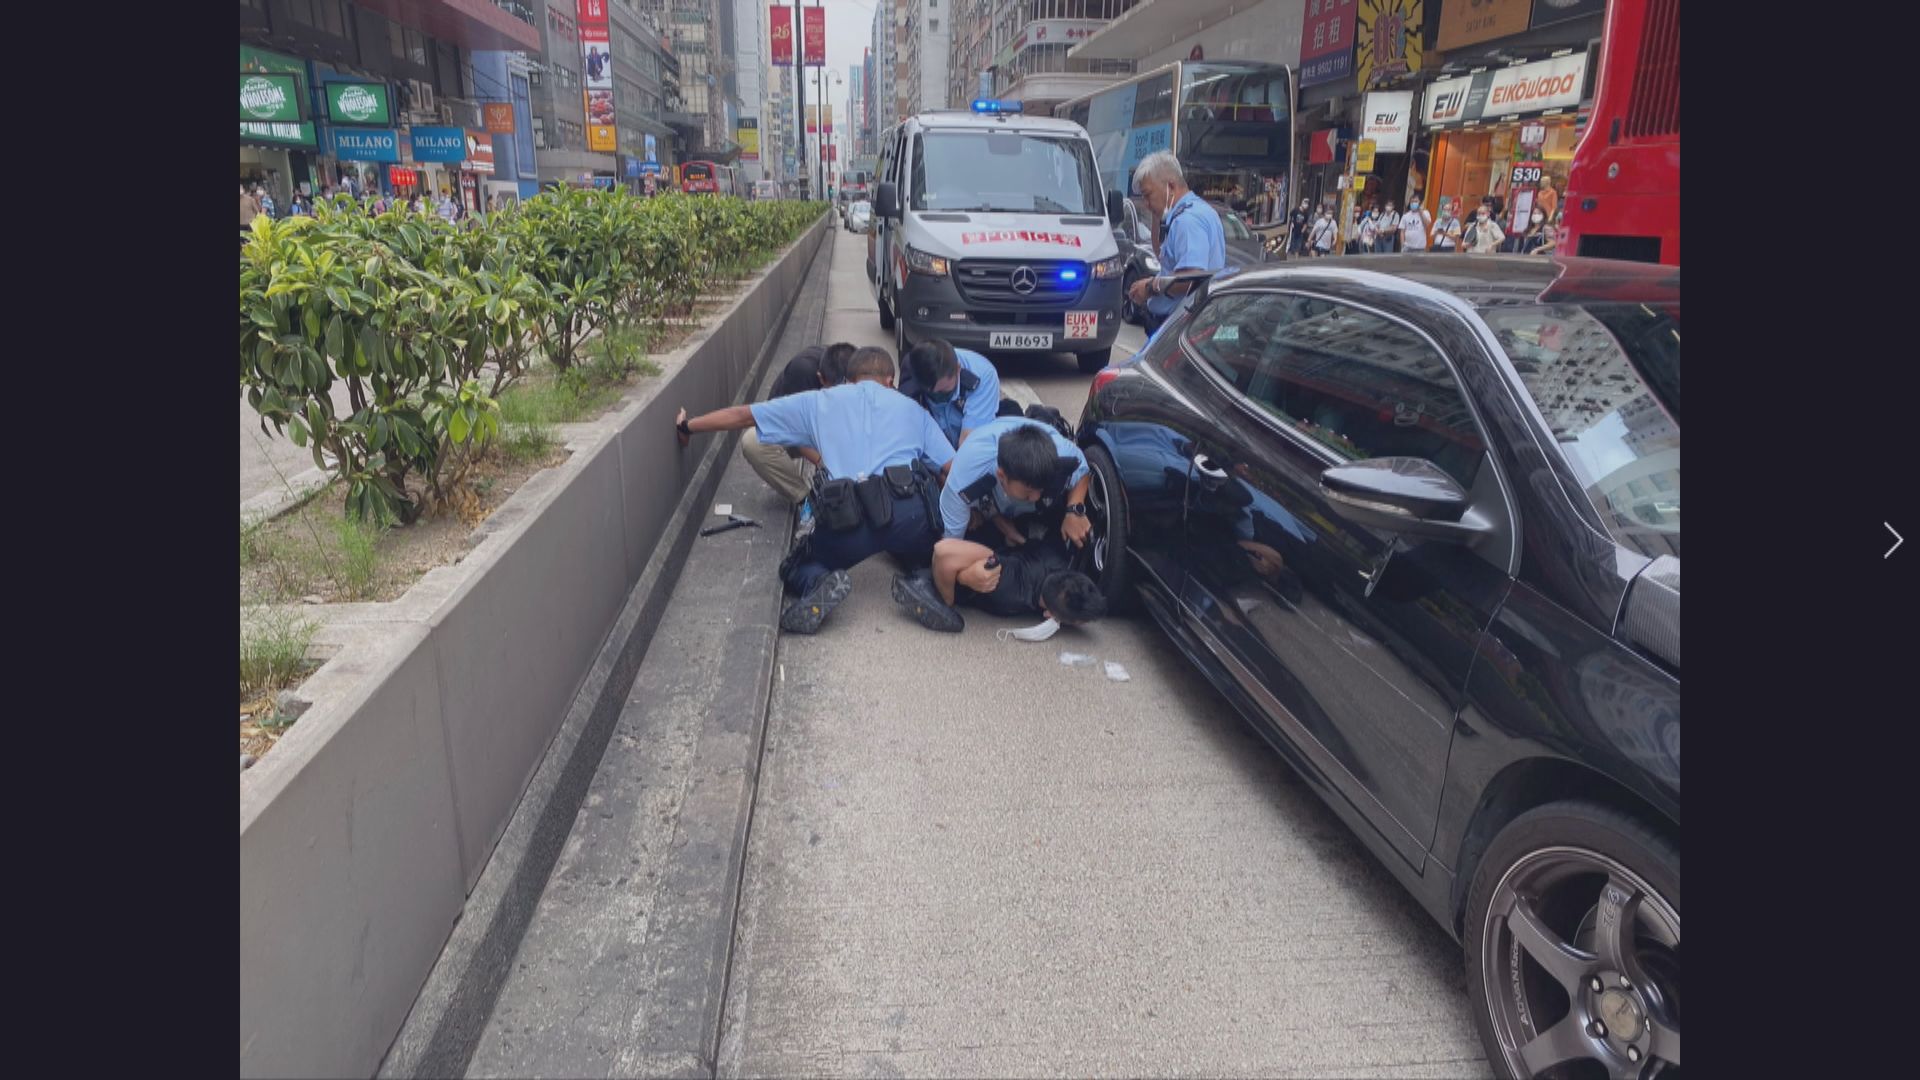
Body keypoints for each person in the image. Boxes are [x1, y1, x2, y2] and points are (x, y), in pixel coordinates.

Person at [674, 346, 955, 634]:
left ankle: (819, 581)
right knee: (928, 551)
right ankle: (922, 580)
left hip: (849, 521)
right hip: (907, 514)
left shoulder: (818, 402)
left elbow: (743, 415)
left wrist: (688, 426)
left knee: (796, 566)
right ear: (890, 380)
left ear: (848, 380)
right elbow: (953, 469)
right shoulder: (914, 411)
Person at [938, 416, 1091, 557]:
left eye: (1039, 489)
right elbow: (947, 549)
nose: (1036, 497)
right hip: (988, 501)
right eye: (1028, 491)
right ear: (1002, 475)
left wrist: (1074, 510)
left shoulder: (1060, 453)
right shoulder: (964, 481)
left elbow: (1082, 469)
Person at [892, 536, 1108, 633]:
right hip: (923, 552)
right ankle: (922, 583)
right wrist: (948, 600)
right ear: (1051, 615)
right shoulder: (1007, 587)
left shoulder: (1058, 556)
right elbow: (943, 550)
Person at [739, 342, 857, 507]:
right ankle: (808, 500)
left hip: (832, 431)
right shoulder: (802, 371)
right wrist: (824, 463)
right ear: (821, 378)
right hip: (791, 431)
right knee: (753, 442)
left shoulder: (862, 371)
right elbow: (796, 434)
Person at [1125, 150, 1227, 336]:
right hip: (1188, 324)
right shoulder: (1197, 211)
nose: (1146, 204)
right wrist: (1158, 214)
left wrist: (1149, 288)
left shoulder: (1187, 221)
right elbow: (1163, 257)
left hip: (1179, 328)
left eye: (1148, 195)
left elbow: (1189, 280)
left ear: (1170, 187)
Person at [900, 338, 1002, 449]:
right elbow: (906, 426)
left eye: (943, 390)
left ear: (958, 369)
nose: (938, 397)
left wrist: (954, 460)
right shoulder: (913, 366)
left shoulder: (983, 377)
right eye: (932, 394)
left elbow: (969, 443)